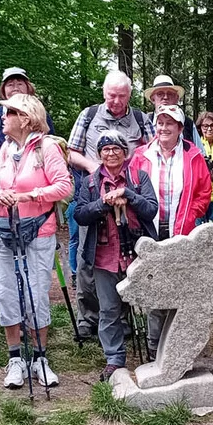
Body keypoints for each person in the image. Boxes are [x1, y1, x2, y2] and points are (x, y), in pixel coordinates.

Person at [0, 94, 72, 389]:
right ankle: (14, 359)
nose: (2, 118)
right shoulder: (6, 149)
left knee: (37, 294)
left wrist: (28, 196)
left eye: (8, 112)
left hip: (38, 231)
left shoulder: (47, 148)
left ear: (25, 118)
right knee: (7, 293)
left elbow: (63, 186)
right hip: (5, 228)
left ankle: (40, 358)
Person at [67, 70, 153, 339]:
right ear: (104, 93)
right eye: (111, 95)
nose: (116, 101)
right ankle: (88, 317)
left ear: (130, 94)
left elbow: (151, 151)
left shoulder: (140, 119)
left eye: (122, 95)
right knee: (88, 258)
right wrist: (98, 169)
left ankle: (122, 318)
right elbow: (71, 152)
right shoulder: (89, 115)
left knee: (126, 258)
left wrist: (129, 181)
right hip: (93, 194)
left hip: (128, 196)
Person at [74, 131, 158, 382]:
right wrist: (103, 203)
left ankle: (156, 349)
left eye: (116, 149)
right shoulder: (90, 183)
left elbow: (151, 209)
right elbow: (79, 214)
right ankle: (114, 359)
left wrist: (127, 195)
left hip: (137, 253)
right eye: (105, 150)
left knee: (150, 305)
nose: (111, 154)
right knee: (109, 309)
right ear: (99, 154)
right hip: (104, 255)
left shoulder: (138, 177)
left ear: (125, 152)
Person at [129, 104, 212, 358]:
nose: (163, 128)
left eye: (170, 123)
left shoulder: (193, 155)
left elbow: (204, 191)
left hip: (180, 233)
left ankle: (175, 346)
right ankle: (155, 347)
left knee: (178, 289)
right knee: (155, 288)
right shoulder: (141, 156)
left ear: (179, 128)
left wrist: (192, 214)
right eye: (160, 123)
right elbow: (132, 189)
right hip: (149, 232)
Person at [0, 67, 56, 151]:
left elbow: (51, 145)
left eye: (20, 84)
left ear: (28, 88)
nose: (15, 88)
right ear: (3, 90)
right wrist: (8, 160)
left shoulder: (40, 114)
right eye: (10, 85)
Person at [144, 75, 204, 152]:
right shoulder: (144, 123)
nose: (165, 97)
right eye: (160, 94)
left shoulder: (187, 123)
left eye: (169, 94)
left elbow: (200, 153)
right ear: (153, 99)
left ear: (176, 98)